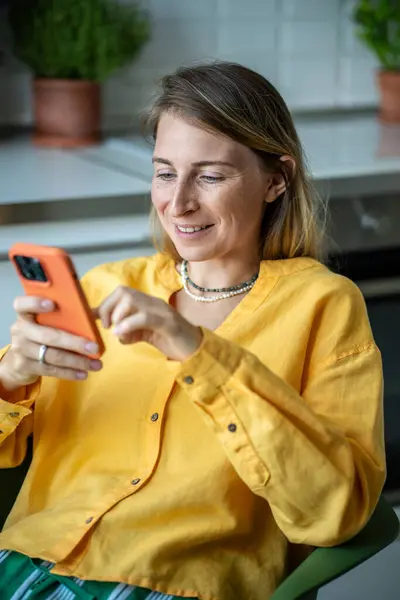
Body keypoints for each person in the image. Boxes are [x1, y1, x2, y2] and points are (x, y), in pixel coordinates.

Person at [0, 61, 385, 600]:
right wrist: (10, 377)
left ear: (276, 179)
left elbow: (334, 513)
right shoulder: (104, 286)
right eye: (164, 172)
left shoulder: (322, 306)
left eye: (209, 175)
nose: (177, 203)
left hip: (172, 586)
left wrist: (197, 351)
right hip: (24, 565)